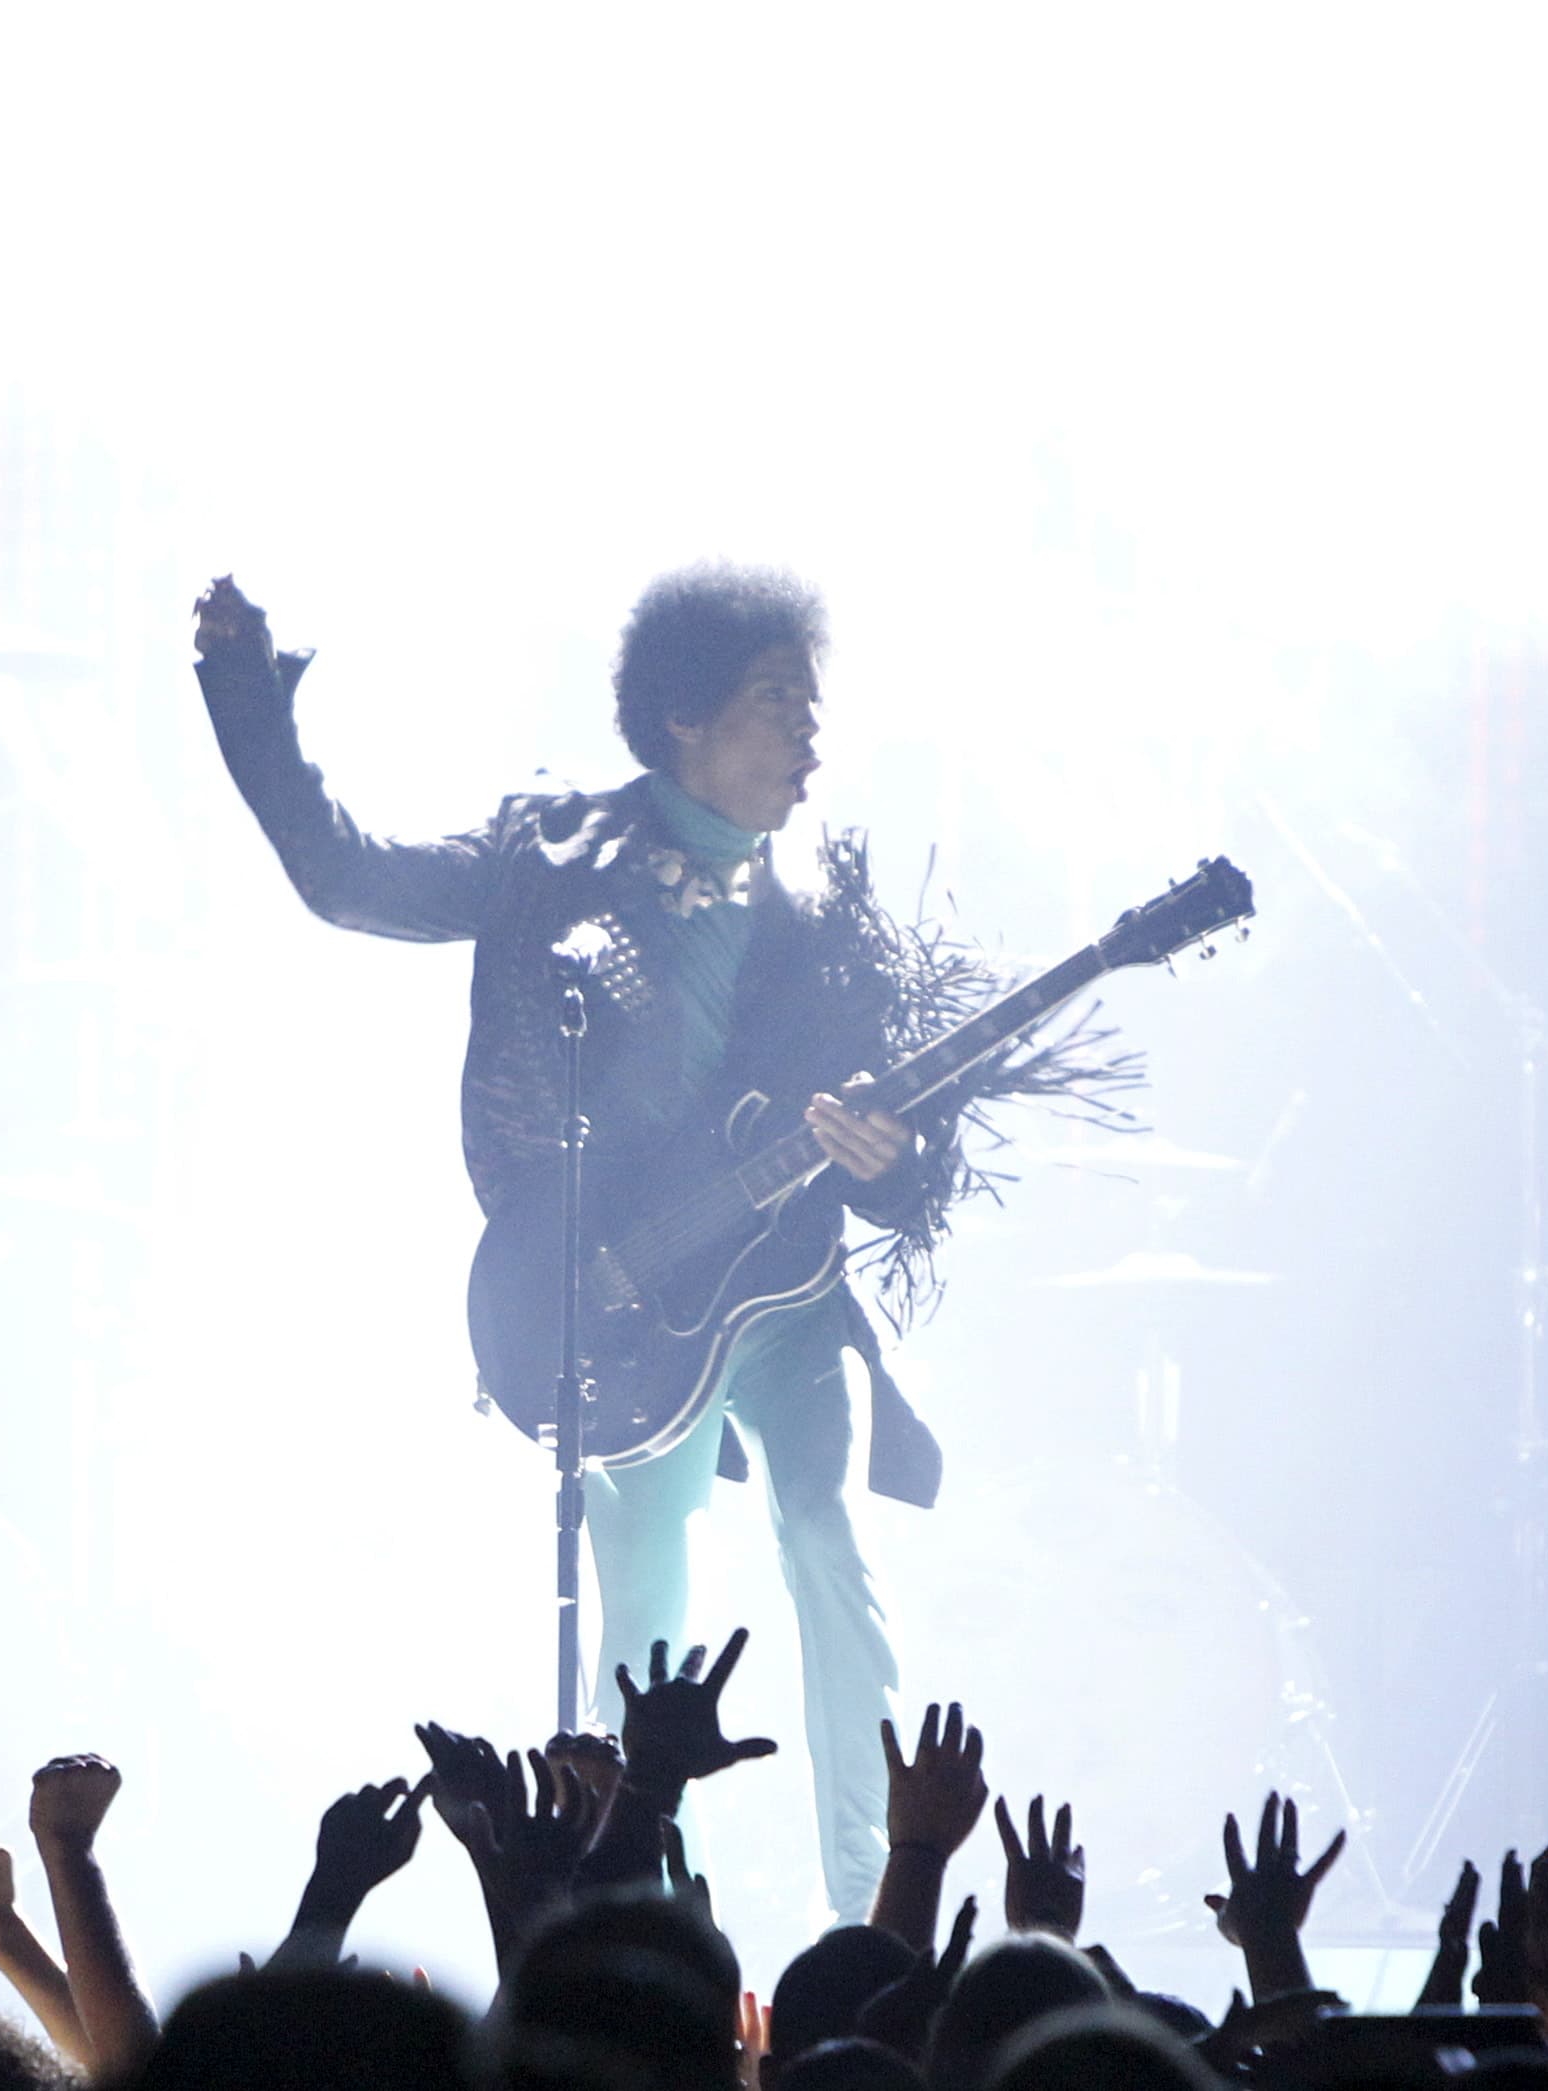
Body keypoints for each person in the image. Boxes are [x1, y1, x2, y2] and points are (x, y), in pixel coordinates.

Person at [191, 566, 978, 1916]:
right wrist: (250, 703)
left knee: (825, 1535)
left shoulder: (818, 918)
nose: (809, 733)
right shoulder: (546, 853)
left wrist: (895, 1158)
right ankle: (647, 1919)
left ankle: (872, 1914)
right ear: (683, 716)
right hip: (624, 1299)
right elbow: (346, 879)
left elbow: (908, 1161)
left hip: (787, 1286)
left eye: (813, 704)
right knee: (646, 1614)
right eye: (775, 701)